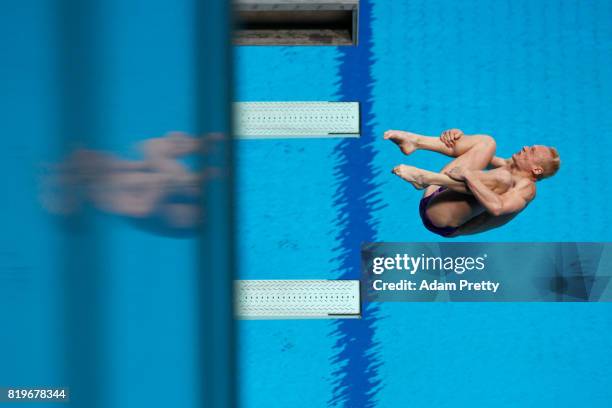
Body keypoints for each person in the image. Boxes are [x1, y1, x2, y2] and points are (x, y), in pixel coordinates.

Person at [385, 129, 560, 237]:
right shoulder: (508, 166)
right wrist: (456, 137)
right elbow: (474, 153)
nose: (525, 148)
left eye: (531, 151)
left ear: (536, 170)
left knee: (502, 179)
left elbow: (497, 208)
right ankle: (415, 142)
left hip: (441, 219)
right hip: (437, 194)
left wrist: (469, 175)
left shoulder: (526, 189)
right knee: (487, 142)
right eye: (530, 146)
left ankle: (425, 178)